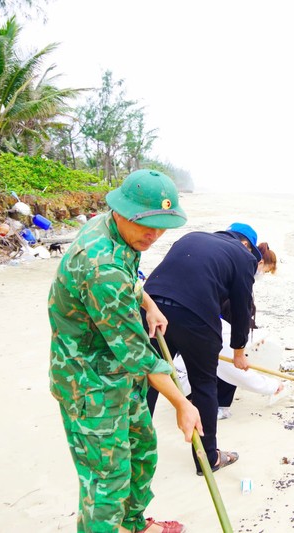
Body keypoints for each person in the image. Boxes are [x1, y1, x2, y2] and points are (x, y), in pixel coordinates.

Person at [48, 169, 201, 533]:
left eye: (162, 225)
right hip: (88, 384)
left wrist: (148, 303)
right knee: (107, 482)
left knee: (143, 452)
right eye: (147, 225)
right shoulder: (102, 267)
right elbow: (139, 356)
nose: (155, 234)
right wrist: (183, 402)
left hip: (118, 374)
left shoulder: (118, 233)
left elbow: (130, 280)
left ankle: (133, 525)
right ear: (123, 210)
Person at [142, 222, 260, 475]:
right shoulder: (243, 256)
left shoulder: (192, 237)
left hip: (149, 308)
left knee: (150, 377)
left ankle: (135, 451)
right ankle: (208, 459)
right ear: (247, 244)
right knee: (204, 384)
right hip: (194, 318)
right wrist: (238, 352)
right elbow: (242, 310)